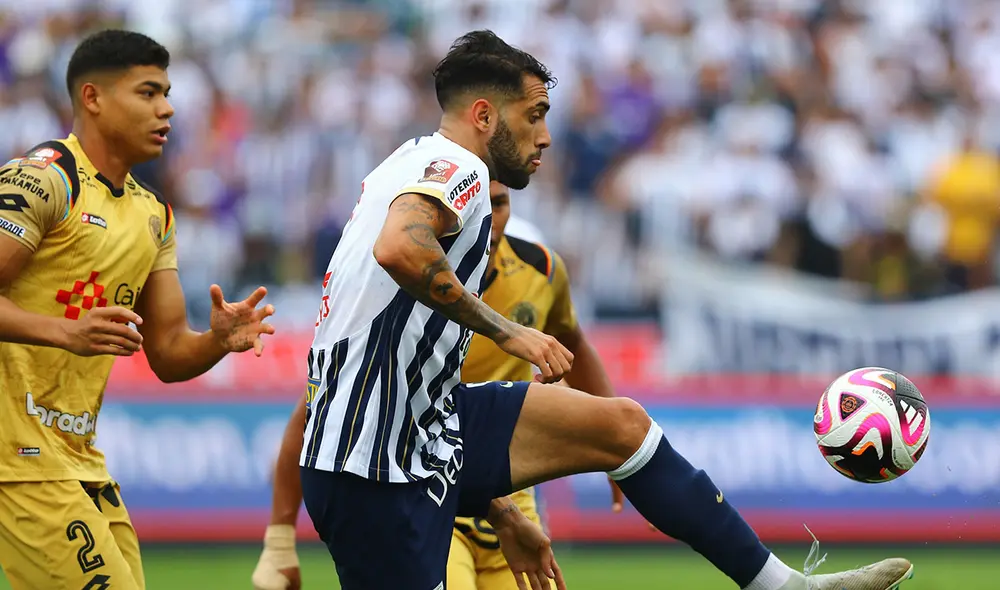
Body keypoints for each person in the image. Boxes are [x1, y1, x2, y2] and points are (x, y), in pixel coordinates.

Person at [300, 30, 914, 590]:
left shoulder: (411, 164)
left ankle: (786, 588)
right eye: (534, 115)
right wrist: (508, 331)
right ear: (484, 116)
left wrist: (500, 508)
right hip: (369, 470)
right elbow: (399, 247)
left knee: (622, 428)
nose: (544, 136)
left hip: (423, 430)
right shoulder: (457, 168)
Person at [0, 29, 274, 590]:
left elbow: (170, 354)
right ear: (93, 98)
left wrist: (218, 340)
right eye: (148, 92)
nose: (167, 108)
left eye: (167, 93)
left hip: (76, 457)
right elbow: (66, 329)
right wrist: (64, 332)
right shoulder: (44, 180)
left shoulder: (154, 216)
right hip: (16, 458)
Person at [252, 181, 625, 590]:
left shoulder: (541, 270)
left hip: (513, 495)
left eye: (500, 204)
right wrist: (280, 539)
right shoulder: (404, 285)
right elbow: (319, 408)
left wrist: (609, 443)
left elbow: (575, 344)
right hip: (432, 488)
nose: (491, 219)